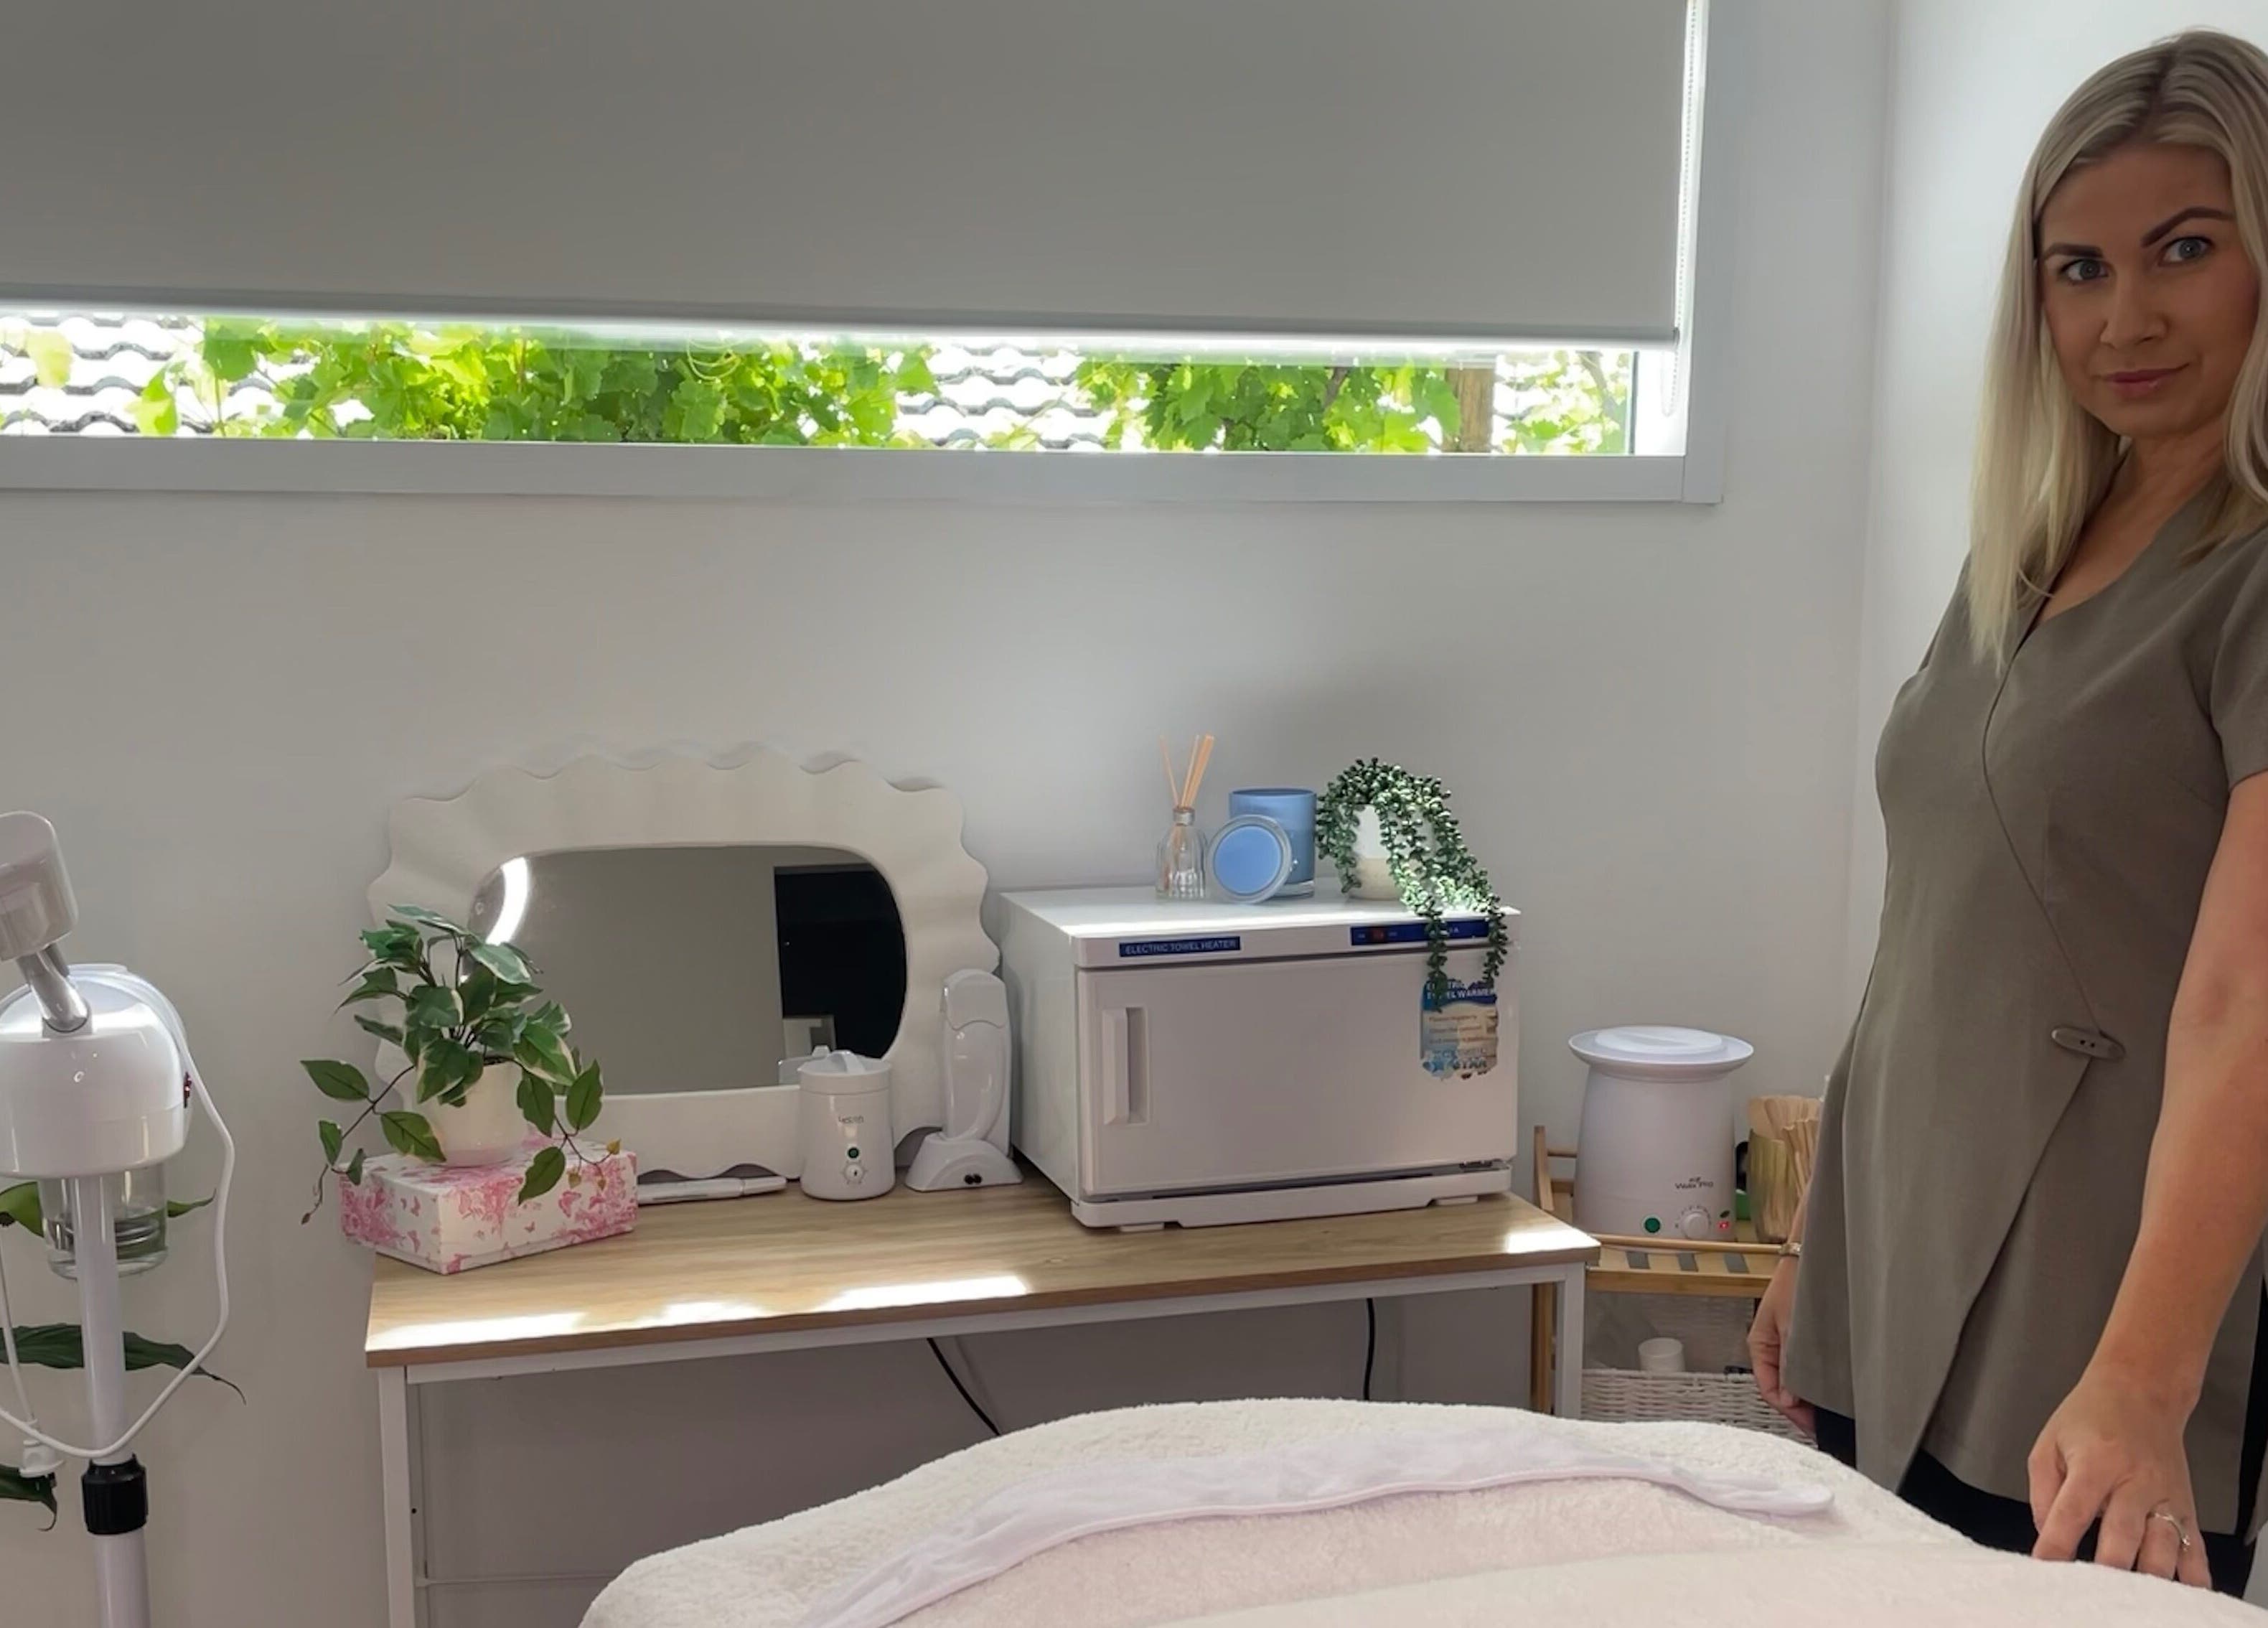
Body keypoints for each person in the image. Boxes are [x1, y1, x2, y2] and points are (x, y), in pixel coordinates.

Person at [1748, 29, 2268, 1596]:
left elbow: (2247, 1000)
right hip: (1892, 1233)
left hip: (2093, 1288)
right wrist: (1814, 1238)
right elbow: (1928, 925)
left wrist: (2143, 1381)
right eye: (2075, 268)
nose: (2123, 318)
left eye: (2183, 249)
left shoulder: (2247, 575)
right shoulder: (2028, 551)